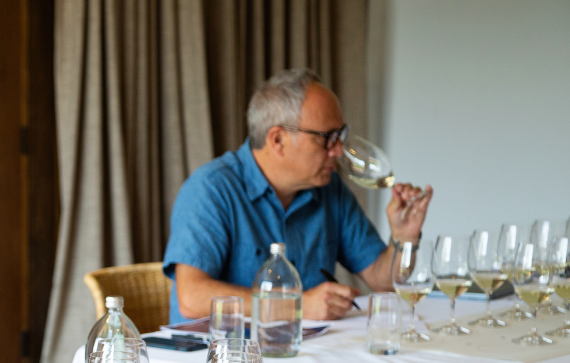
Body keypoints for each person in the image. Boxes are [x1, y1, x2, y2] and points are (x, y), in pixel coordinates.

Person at [163, 68, 433, 323]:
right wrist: (298, 305)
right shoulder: (211, 189)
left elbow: (382, 280)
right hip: (220, 359)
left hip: (302, 353)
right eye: (327, 137)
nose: (338, 151)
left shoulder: (330, 189)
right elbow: (191, 298)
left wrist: (403, 237)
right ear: (278, 140)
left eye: (340, 136)